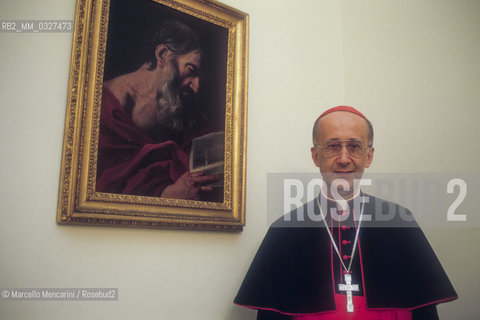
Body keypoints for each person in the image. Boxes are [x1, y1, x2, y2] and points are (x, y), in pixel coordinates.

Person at [234, 106, 457, 319]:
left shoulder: (400, 222)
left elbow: (424, 312)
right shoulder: (284, 231)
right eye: (332, 146)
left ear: (368, 156)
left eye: (354, 146)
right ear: (315, 156)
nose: (343, 159)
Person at [96, 19, 219, 200]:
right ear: (162, 55)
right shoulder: (105, 103)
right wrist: (165, 195)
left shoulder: (184, 107)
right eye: (191, 70)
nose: (196, 87)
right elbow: (102, 186)